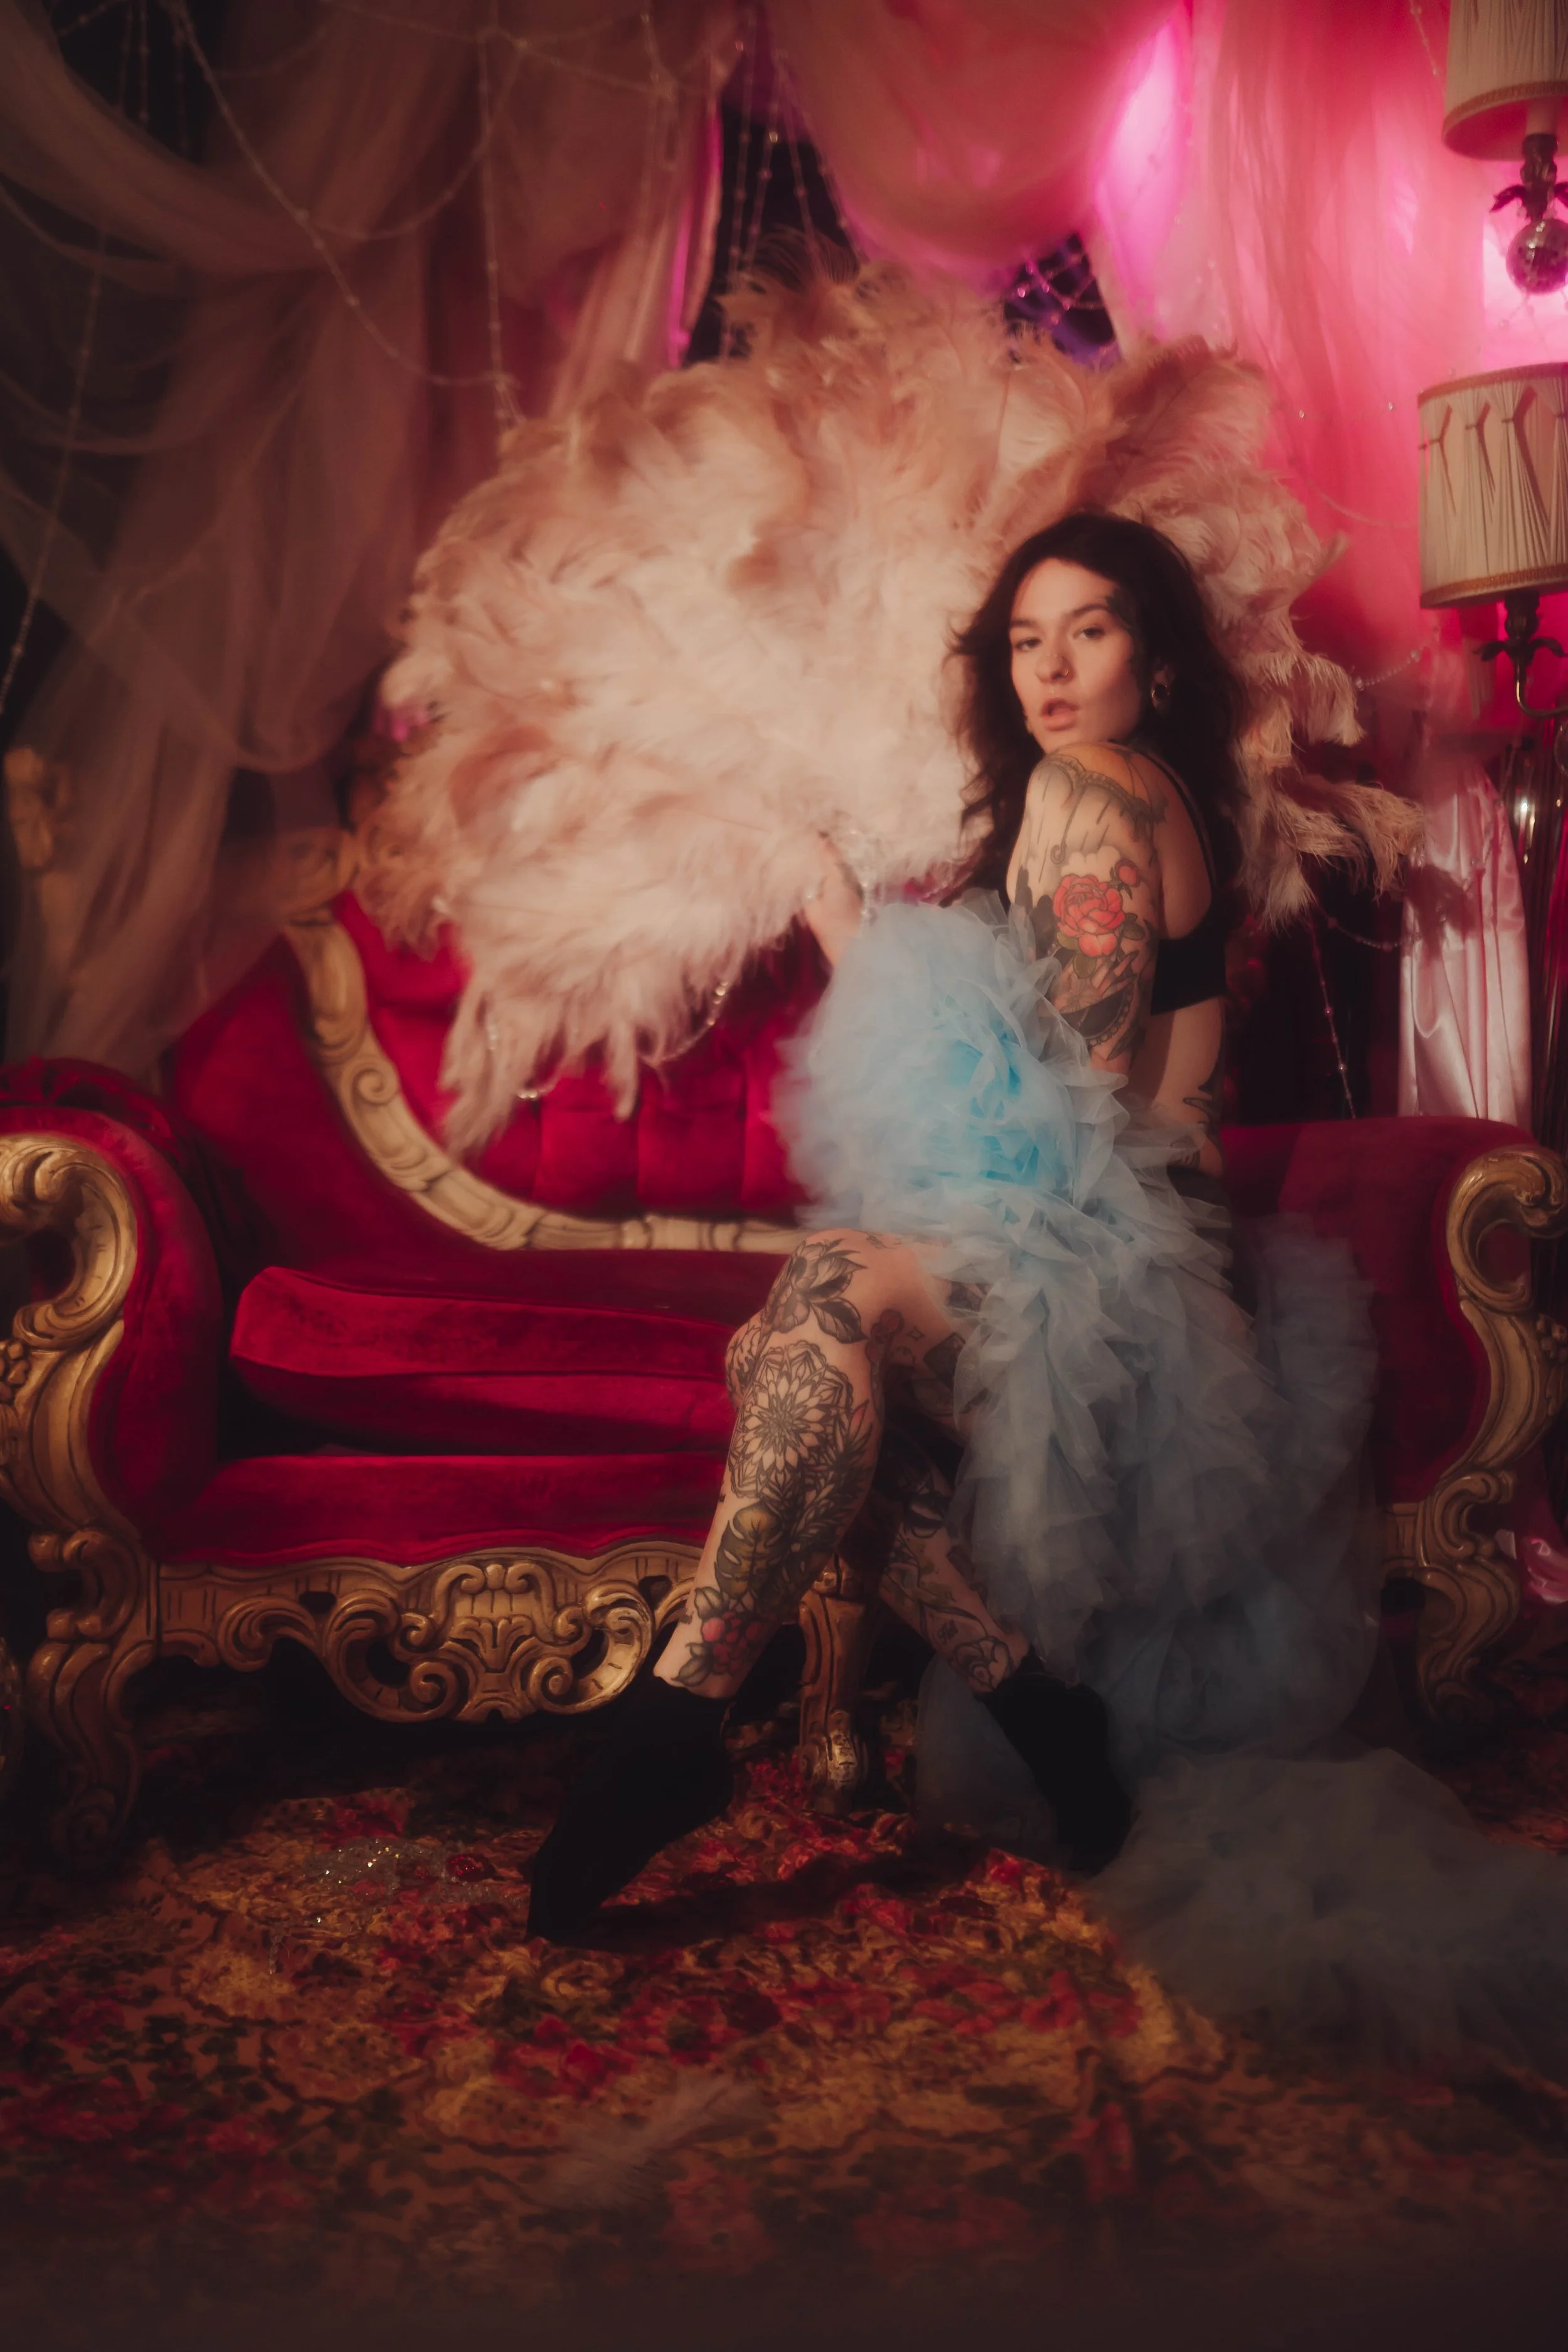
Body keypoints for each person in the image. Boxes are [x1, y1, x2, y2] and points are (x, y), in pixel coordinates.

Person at [527, 508, 1379, 1942]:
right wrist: (853, 928)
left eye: (1087, 632)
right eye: (1025, 641)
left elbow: (1070, 1096)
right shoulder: (1124, 795)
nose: (1049, 668)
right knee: (802, 1375)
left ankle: (674, 1718)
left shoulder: (1096, 791)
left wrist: (855, 942)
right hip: (1110, 1245)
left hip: (1127, 1280)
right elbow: (1038, 1089)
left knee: (819, 1304)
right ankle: (1029, 1712)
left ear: (1156, 663)